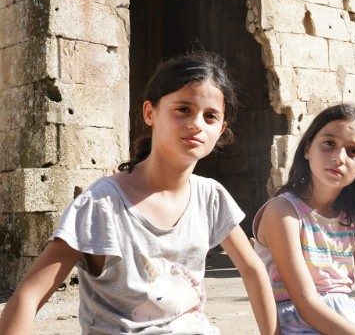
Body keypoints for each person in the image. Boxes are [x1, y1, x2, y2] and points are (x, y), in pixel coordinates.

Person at [0, 52, 278, 334]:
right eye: (183, 109)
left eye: (210, 116)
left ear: (221, 129)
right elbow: (28, 296)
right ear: (150, 113)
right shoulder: (103, 204)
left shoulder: (211, 197)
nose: (196, 124)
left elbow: (253, 269)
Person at [253, 103, 355, 334]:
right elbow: (306, 303)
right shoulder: (283, 211)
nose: (339, 158)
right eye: (329, 144)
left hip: (350, 321)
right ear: (308, 148)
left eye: (353, 151)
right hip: (299, 324)